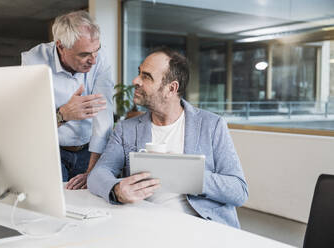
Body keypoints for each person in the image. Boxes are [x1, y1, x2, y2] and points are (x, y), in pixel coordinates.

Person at [87, 47, 248, 228]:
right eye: (139, 73)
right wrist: (117, 190)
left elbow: (238, 191)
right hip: (148, 224)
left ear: (171, 88)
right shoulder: (127, 128)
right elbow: (98, 174)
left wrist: (190, 175)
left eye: (146, 76)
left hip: (202, 225)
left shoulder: (212, 125)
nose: (135, 80)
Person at [21, 10, 114, 188]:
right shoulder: (34, 61)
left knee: (89, 202)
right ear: (61, 46)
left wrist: (93, 171)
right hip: (49, 151)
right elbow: (29, 125)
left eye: (96, 51)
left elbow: (104, 117)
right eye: (84, 54)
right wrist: (63, 114)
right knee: (58, 207)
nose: (93, 61)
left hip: (89, 150)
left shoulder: (99, 58)